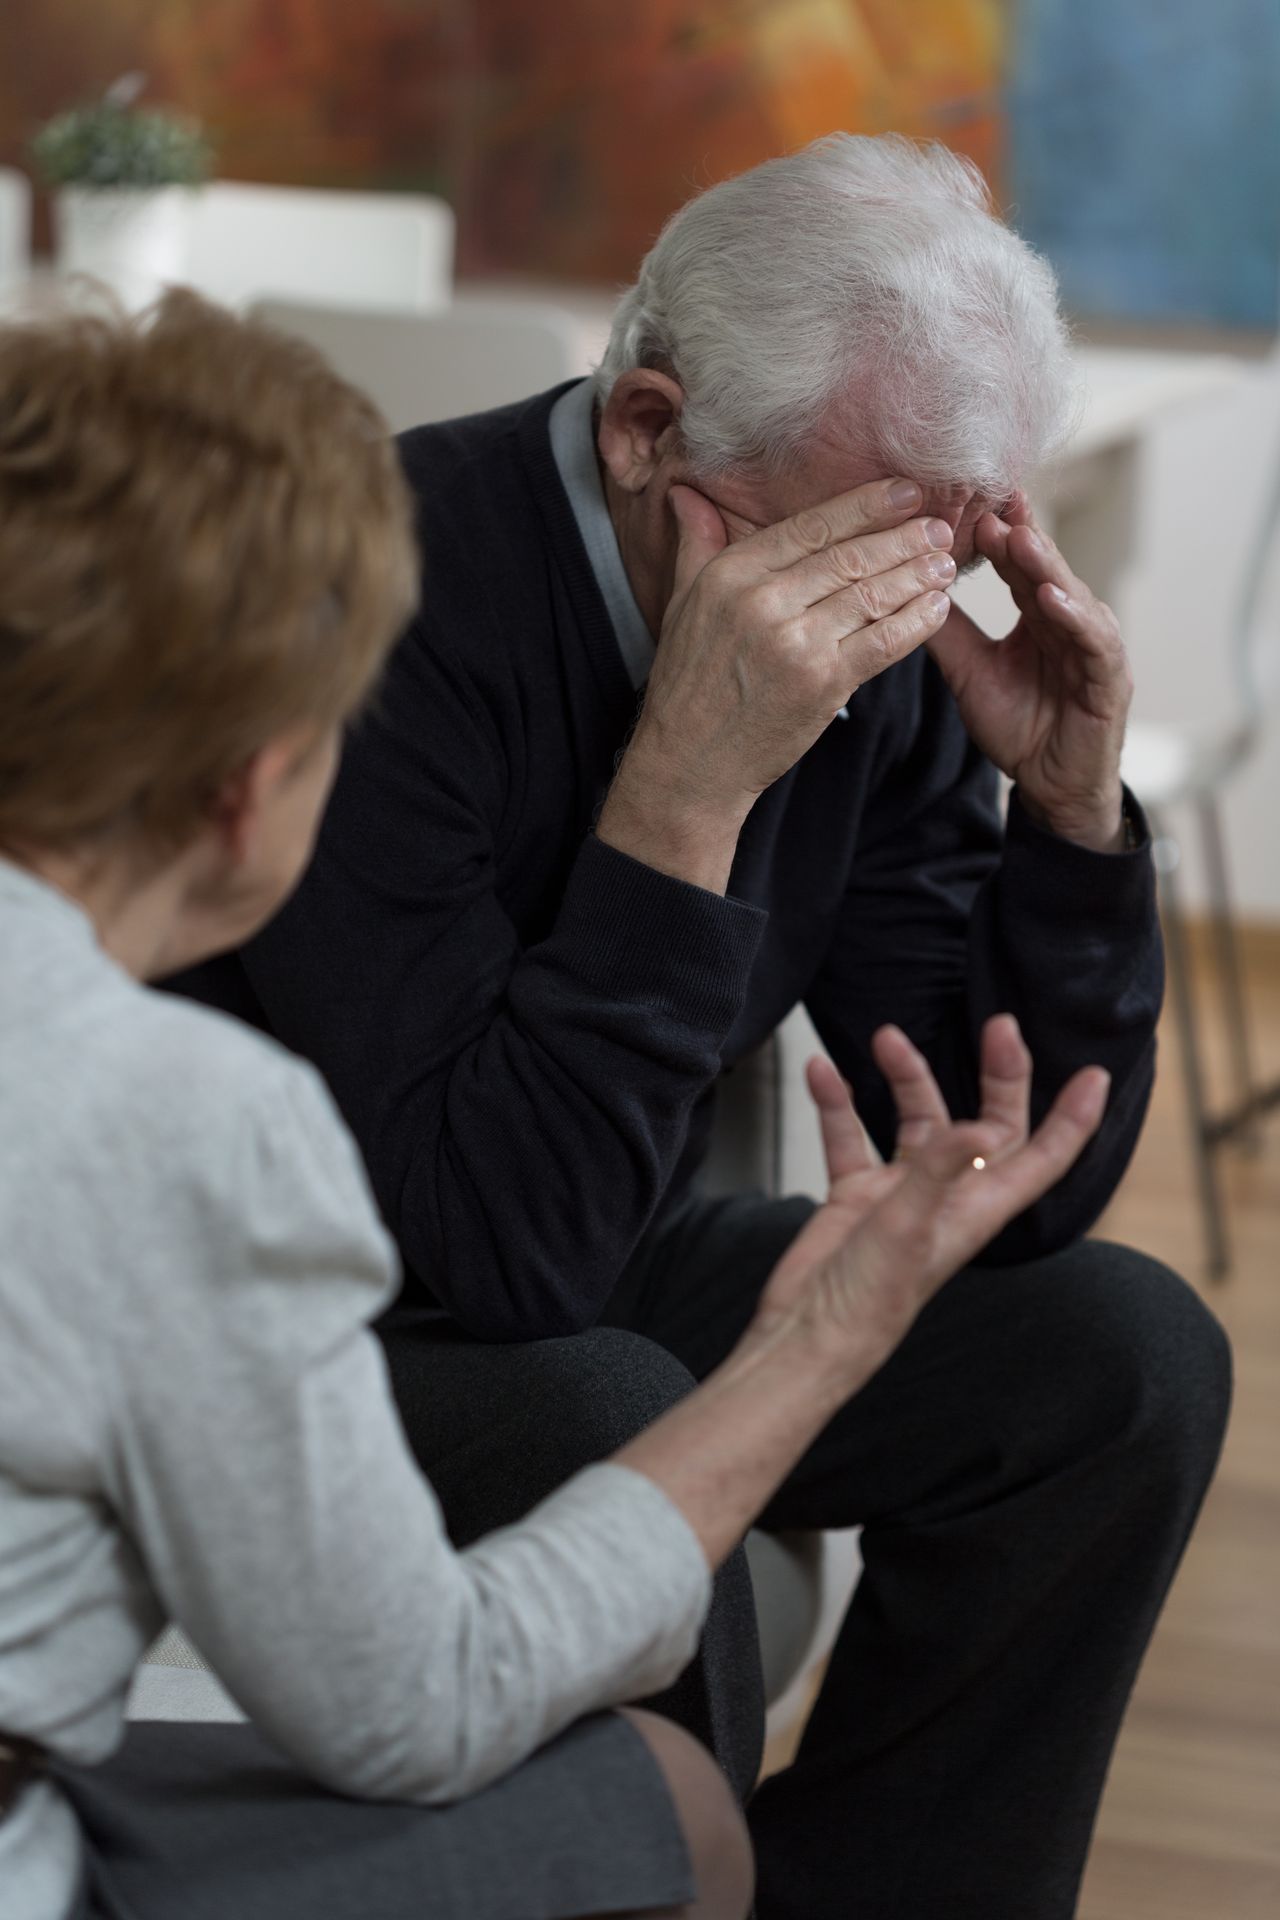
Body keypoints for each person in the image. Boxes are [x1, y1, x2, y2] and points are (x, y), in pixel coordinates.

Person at [176, 133, 1233, 1919]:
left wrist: (1067, 820)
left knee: (1119, 1357)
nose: (893, 617)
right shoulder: (360, 604)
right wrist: (681, 798)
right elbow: (492, 1255)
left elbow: (1001, 1188)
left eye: (948, 543)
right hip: (291, 1311)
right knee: (613, 1408)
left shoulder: (875, 646)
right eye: (849, 541)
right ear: (646, 429)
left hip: (594, 1246)